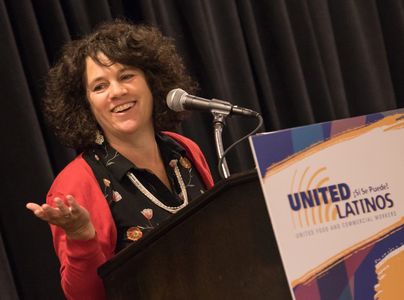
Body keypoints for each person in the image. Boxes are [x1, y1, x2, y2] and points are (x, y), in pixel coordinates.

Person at [26, 19, 214, 300]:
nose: (116, 92)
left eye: (126, 76)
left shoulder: (185, 149)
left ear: (152, 82)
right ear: (85, 104)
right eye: (99, 87)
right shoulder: (76, 183)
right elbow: (86, 296)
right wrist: (80, 235)